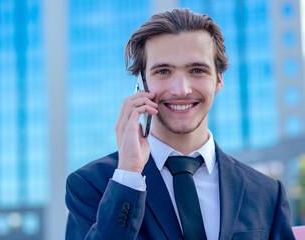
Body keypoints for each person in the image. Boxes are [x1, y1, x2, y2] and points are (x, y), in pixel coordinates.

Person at [65, 8, 295, 240]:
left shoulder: (267, 194)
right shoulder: (91, 185)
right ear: (141, 83)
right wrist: (128, 175)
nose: (181, 90)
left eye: (197, 70)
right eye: (163, 71)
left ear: (219, 79)